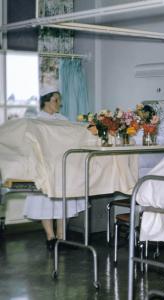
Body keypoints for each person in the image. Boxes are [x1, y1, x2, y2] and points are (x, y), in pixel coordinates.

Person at [23, 89, 86, 251]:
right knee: (44, 202)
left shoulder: (63, 120)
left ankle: (62, 237)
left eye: (59, 100)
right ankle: (50, 238)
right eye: (55, 100)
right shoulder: (36, 121)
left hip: (62, 167)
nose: (59, 104)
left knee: (62, 202)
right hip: (44, 168)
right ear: (45, 101)